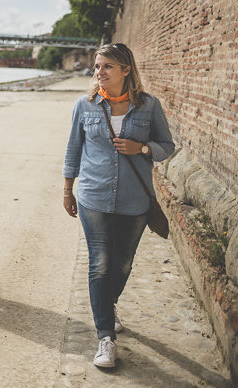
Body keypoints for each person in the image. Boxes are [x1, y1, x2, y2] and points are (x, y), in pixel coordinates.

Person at [62, 43, 174, 368]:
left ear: (126, 70)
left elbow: (167, 146)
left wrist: (142, 148)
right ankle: (105, 338)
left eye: (107, 66)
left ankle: (106, 307)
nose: (100, 72)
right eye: (97, 66)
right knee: (99, 263)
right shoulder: (85, 106)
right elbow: (72, 151)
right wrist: (67, 190)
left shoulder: (149, 106)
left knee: (122, 264)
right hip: (93, 197)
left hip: (135, 202)